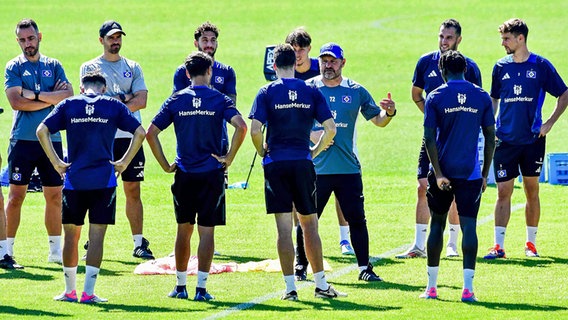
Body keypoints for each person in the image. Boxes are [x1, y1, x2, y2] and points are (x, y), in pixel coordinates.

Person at [37, 71, 145, 303]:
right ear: (104, 88)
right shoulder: (113, 106)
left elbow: (42, 130)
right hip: (104, 181)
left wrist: (56, 162)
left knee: (71, 237)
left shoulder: (69, 105)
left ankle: (68, 291)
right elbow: (140, 132)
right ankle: (88, 293)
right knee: (96, 238)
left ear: (82, 86)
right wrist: (124, 162)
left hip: (74, 181)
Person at [146, 51, 247, 301]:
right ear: (210, 71)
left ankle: (180, 287)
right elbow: (242, 126)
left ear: (188, 74)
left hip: (185, 174)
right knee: (207, 232)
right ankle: (201, 288)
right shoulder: (219, 99)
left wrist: (165, 164)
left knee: (183, 230)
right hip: (212, 174)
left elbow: (150, 133)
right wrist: (229, 158)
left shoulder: (176, 100)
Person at [249, 43, 346, 300]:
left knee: (283, 229)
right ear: (296, 63)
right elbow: (331, 129)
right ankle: (321, 285)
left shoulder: (266, 92)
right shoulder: (311, 90)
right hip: (302, 162)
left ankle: (290, 288)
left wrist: (262, 151)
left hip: (275, 164)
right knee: (309, 226)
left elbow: (255, 130)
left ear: (274, 66)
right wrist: (314, 151)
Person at [301, 42, 395, 282]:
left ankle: (365, 268)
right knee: (308, 220)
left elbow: (378, 120)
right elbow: (291, 122)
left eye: (333, 61)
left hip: (347, 169)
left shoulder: (356, 91)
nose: (328, 65)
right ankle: (300, 266)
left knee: (357, 220)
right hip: (316, 169)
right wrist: (310, 135)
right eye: (324, 61)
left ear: (343, 62)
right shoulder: (308, 89)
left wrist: (390, 113)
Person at [397, 18, 482, 259]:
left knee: (456, 188)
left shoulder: (470, 68)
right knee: (422, 185)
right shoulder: (426, 63)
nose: (444, 42)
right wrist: (432, 118)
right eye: (441, 36)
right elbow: (416, 94)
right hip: (432, 139)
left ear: (459, 40)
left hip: (459, 142)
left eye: (449, 38)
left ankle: (453, 243)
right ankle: (418, 244)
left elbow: (478, 103)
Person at [484, 18, 568, 259]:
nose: (503, 43)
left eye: (506, 39)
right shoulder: (500, 67)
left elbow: (564, 93)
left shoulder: (541, 66)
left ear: (520, 38)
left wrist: (549, 122)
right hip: (505, 140)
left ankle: (531, 245)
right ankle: (498, 246)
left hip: (532, 139)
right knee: (503, 191)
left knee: (532, 190)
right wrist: (490, 125)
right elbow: (494, 99)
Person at [420, 50, 495, 302]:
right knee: (469, 227)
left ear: (442, 70)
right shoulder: (481, 96)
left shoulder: (436, 96)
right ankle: (468, 289)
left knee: (438, 225)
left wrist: (438, 174)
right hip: (471, 173)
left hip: (443, 173)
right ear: (465, 69)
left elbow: (429, 138)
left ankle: (431, 288)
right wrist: (484, 174)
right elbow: (491, 137)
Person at [80, 20, 154, 260]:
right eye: (111, 37)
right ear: (101, 40)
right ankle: (93, 242)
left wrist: (113, 102)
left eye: (118, 37)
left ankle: (138, 243)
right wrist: (125, 98)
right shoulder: (89, 67)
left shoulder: (133, 67)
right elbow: (91, 101)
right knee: (97, 189)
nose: (116, 41)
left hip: (128, 138)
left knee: (133, 189)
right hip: (101, 139)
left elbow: (142, 100)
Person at [4, 18, 74, 264]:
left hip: (51, 139)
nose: (27, 44)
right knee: (16, 196)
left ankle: (55, 252)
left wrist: (33, 95)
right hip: (22, 139)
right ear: (18, 41)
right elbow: (16, 102)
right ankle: (6, 249)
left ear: (39, 36)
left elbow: (67, 96)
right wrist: (50, 99)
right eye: (22, 40)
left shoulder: (53, 65)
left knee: (54, 195)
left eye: (31, 38)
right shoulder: (13, 67)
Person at [285, 28, 355, 262]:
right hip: (301, 139)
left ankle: (344, 238)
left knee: (340, 184)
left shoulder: (323, 69)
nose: (298, 55)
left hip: (332, 137)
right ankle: (302, 245)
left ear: (309, 50)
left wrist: (325, 134)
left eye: (301, 50)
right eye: (293, 50)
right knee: (300, 193)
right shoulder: (286, 72)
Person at [173, 22, 236, 256]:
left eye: (212, 40)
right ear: (196, 43)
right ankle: (187, 242)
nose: (209, 44)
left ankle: (208, 242)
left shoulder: (227, 71)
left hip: (218, 141)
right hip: (189, 142)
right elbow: (177, 104)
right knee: (187, 196)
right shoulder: (183, 72)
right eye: (205, 40)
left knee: (215, 193)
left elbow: (233, 105)